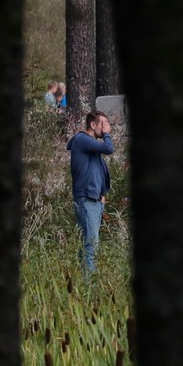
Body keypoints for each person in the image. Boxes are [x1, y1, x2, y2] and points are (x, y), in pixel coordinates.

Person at [68, 110, 113, 273]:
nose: (107, 127)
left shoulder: (90, 146)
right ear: (93, 125)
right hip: (87, 200)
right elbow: (108, 148)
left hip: (94, 201)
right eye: (103, 124)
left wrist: (103, 195)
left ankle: (83, 282)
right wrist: (107, 134)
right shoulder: (82, 139)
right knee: (90, 247)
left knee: (89, 246)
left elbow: (98, 173)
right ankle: (90, 286)